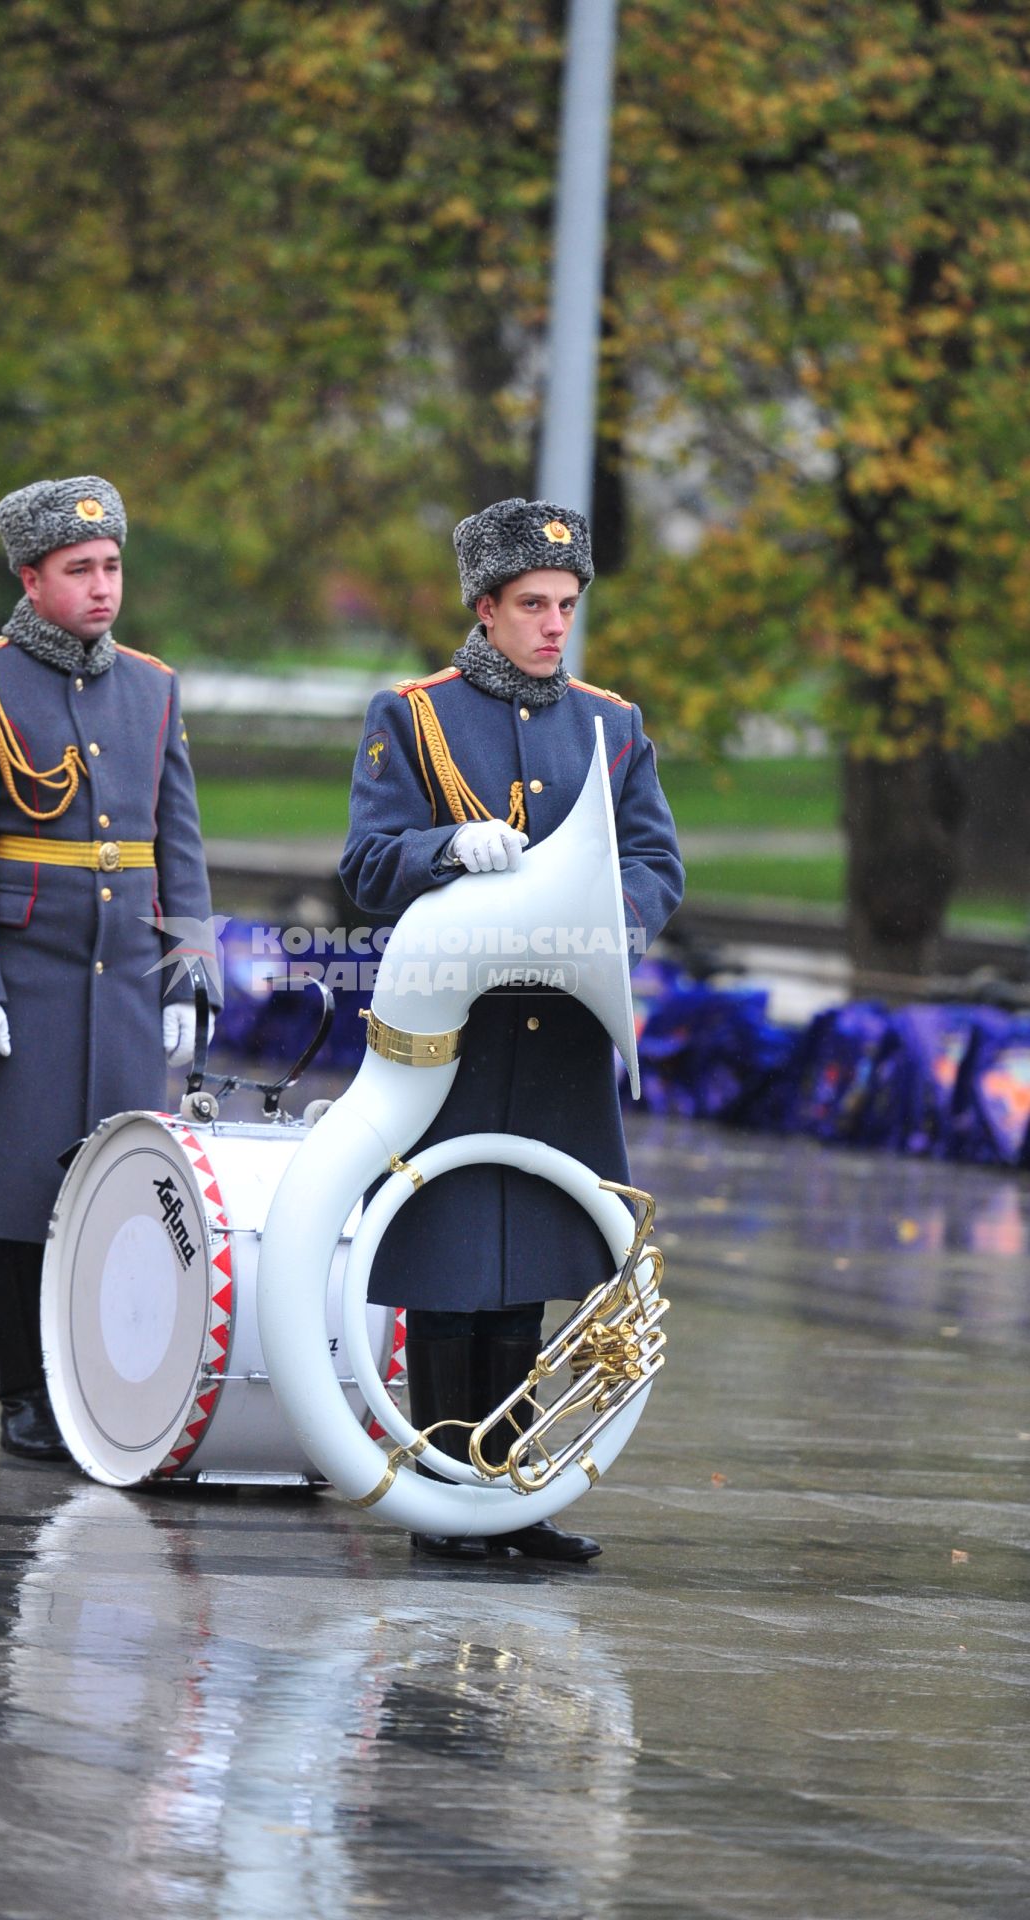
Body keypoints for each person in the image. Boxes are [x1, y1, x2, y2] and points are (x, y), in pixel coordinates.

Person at [340, 497, 684, 1562]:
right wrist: (445, 848)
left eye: (566, 603)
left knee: (527, 1262)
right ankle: (448, 1490)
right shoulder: (413, 716)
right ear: (484, 609)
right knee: (449, 1267)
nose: (553, 624)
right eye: (531, 604)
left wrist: (608, 923)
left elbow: (654, 864)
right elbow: (362, 867)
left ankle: (514, 1498)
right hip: (454, 1034)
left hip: (559, 1038)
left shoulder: (611, 723)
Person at [0, 477, 215, 1460]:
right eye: (78, 570)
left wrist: (188, 971)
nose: (101, 587)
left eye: (112, 566)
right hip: (24, 983)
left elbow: (180, 842)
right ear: (30, 578)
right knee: (17, 1197)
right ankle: (23, 1396)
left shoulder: (153, 686)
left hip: (123, 980)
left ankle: (91, 1384)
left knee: (113, 1192)